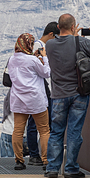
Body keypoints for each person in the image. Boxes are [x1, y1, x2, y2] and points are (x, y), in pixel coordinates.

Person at [44, 13, 90, 178]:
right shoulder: (81, 42)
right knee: (74, 132)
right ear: (73, 27)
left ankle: (52, 168)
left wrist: (71, 34)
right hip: (79, 94)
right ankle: (71, 169)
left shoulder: (49, 45)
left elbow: (62, 44)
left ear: (58, 27)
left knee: (56, 132)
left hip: (58, 95)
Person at [10, 32, 51, 170]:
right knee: (44, 130)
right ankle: (46, 161)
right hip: (35, 99)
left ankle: (19, 161)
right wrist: (44, 58)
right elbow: (46, 73)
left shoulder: (11, 59)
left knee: (18, 131)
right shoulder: (32, 60)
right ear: (29, 44)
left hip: (18, 100)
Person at [26, 22, 57, 165]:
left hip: (37, 89)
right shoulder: (39, 47)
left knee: (36, 123)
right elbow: (43, 70)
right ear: (51, 34)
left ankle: (36, 154)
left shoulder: (37, 45)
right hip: (39, 89)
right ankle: (36, 155)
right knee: (38, 124)